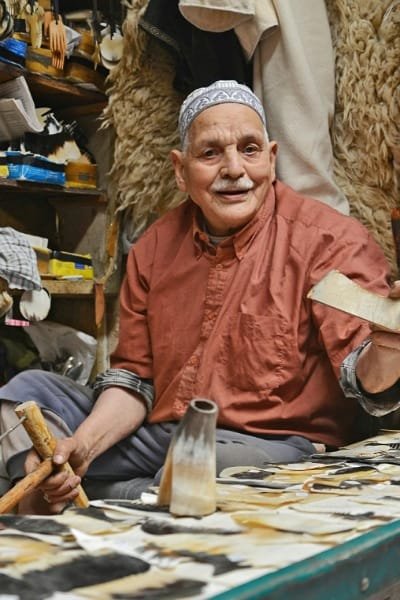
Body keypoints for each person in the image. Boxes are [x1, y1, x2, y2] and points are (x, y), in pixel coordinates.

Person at [1, 79, 400, 515]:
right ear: (180, 169)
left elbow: (366, 379)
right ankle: (57, 484)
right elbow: (136, 380)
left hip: (271, 443)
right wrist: (82, 445)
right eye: (210, 153)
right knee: (24, 394)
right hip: (163, 430)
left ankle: (91, 498)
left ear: (271, 158)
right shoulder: (153, 248)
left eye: (249, 149)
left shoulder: (328, 241)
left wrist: (387, 348)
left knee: (192, 467)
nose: (233, 168)